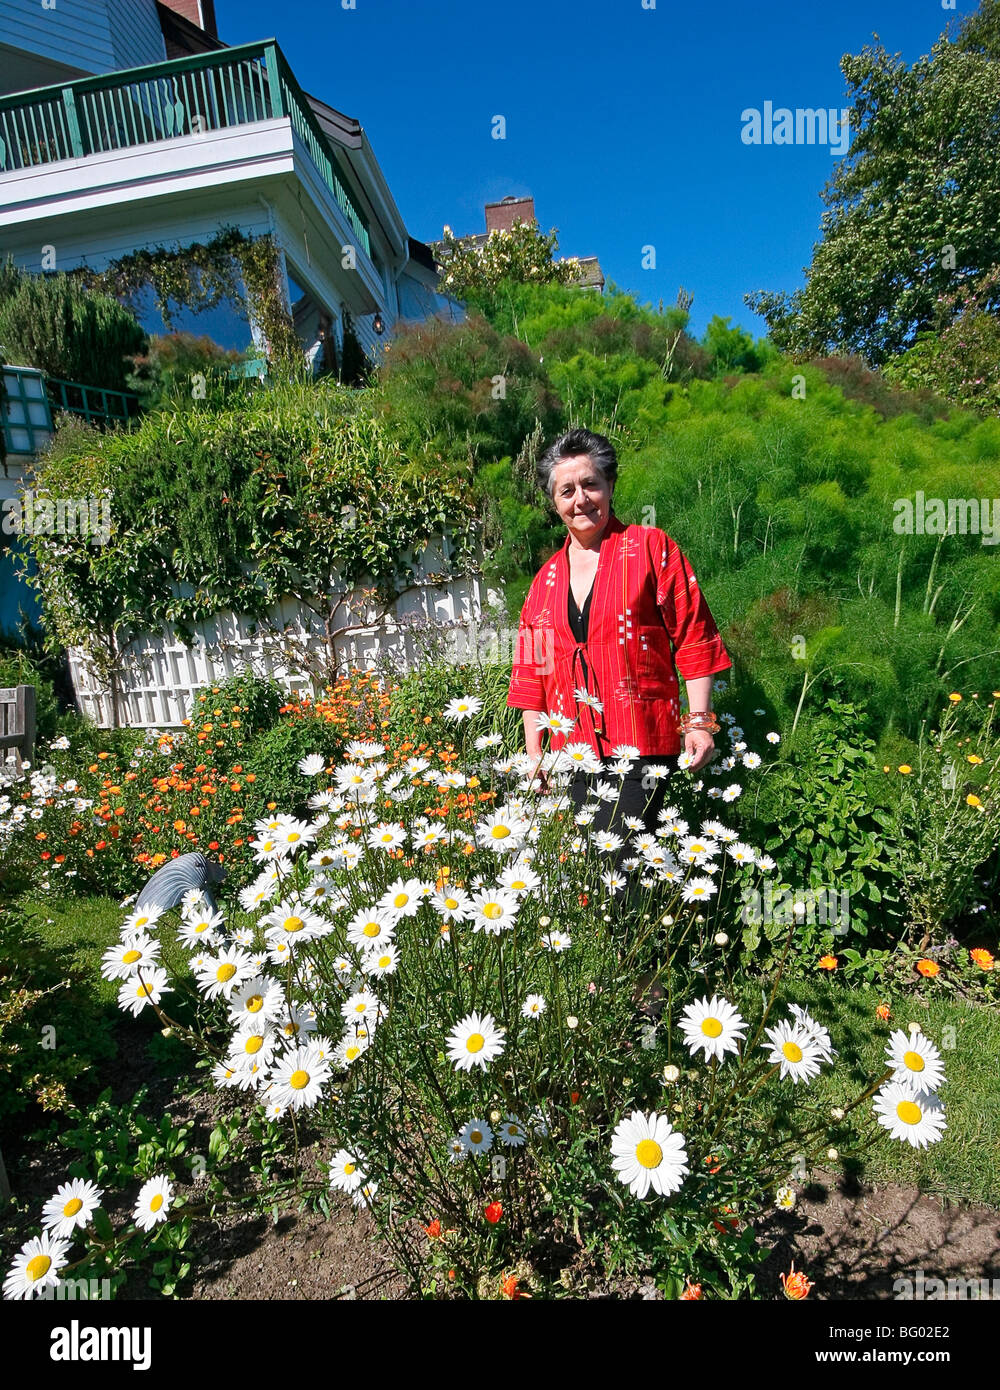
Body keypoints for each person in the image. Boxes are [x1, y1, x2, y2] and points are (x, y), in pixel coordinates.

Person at [507, 427, 731, 835]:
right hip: (572, 751)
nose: (581, 499)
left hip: (640, 740)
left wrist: (698, 720)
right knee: (603, 869)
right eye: (566, 491)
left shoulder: (651, 549)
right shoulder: (543, 582)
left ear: (609, 485)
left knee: (622, 860)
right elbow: (531, 675)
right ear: (554, 502)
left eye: (590, 484)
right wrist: (534, 753)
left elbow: (694, 635)